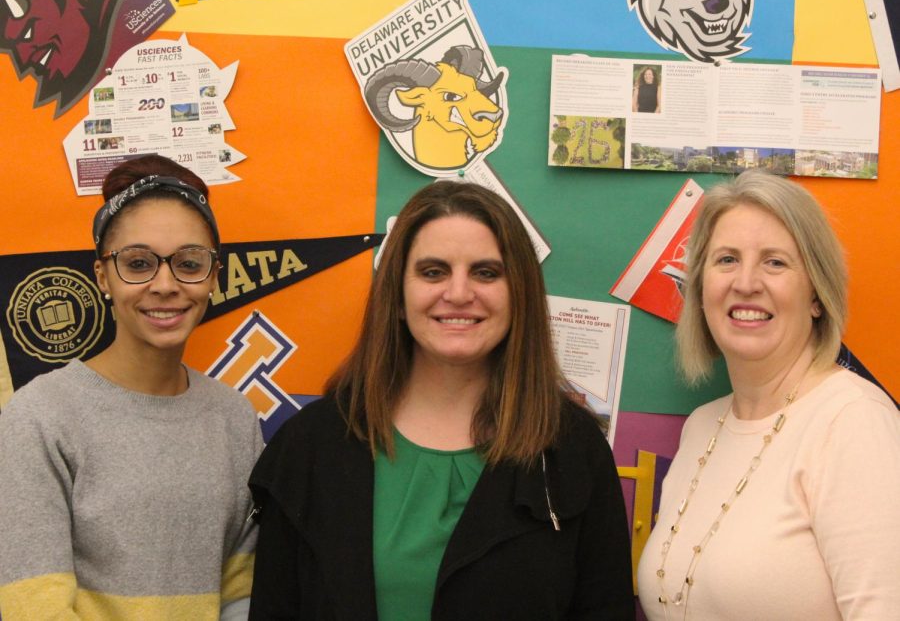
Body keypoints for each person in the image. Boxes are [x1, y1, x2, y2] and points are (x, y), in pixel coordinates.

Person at [248, 181, 634, 620]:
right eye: (433, 272)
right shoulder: (311, 445)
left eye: (486, 272)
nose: (458, 293)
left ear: (519, 295)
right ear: (396, 294)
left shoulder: (571, 449)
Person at [0, 155, 262, 620]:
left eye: (188, 262)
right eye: (138, 263)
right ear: (102, 276)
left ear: (213, 276)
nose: (165, 284)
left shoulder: (235, 420)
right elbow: (31, 605)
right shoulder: (40, 416)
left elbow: (242, 591)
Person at [637, 170, 900, 620]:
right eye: (726, 260)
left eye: (775, 262)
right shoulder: (702, 426)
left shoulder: (853, 421)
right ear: (701, 290)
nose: (746, 283)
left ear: (816, 294)